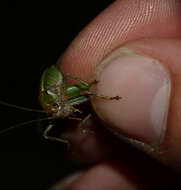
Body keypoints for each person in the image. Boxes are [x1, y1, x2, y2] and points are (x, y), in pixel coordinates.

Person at [50, 0, 181, 189]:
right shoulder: (59, 111)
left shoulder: (61, 96)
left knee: (88, 89)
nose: (59, 113)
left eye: (56, 109)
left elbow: (72, 80)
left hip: (57, 87)